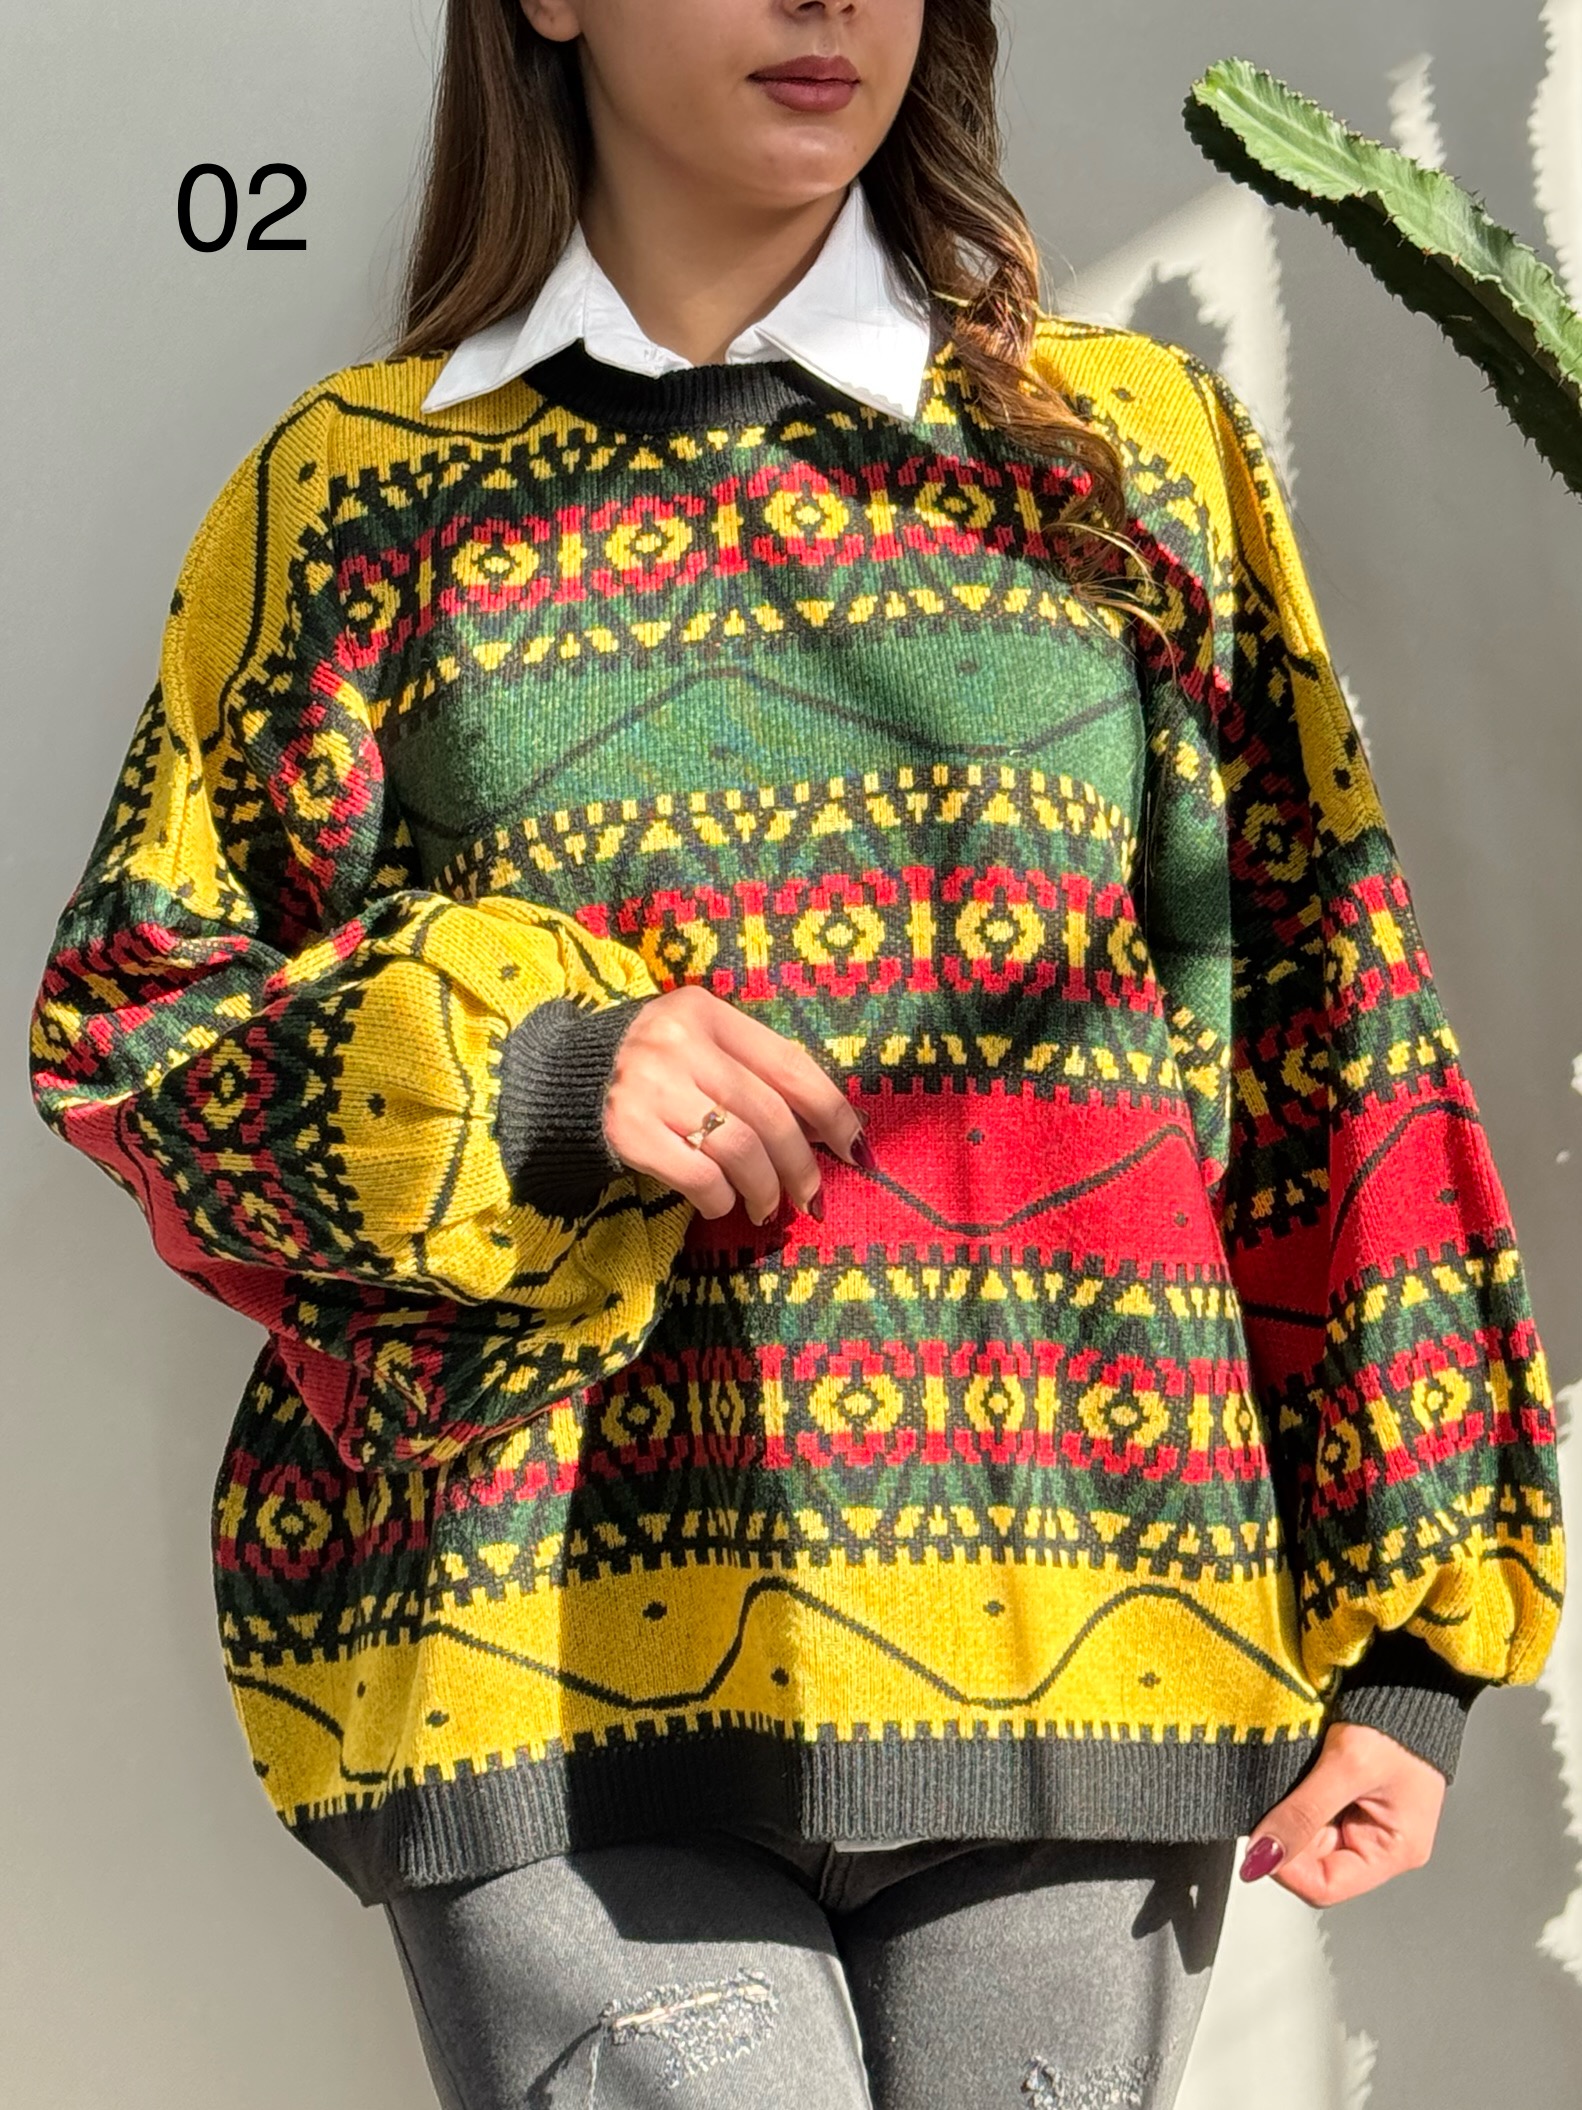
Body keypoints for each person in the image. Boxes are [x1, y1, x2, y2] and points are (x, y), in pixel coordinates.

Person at [28, 1, 1566, 2104]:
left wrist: (1406, 1643)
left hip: (1083, 1625)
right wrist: (529, 1076)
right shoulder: (356, 495)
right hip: (534, 1652)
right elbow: (132, 1025)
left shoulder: (1134, 458)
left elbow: (1324, 1017)